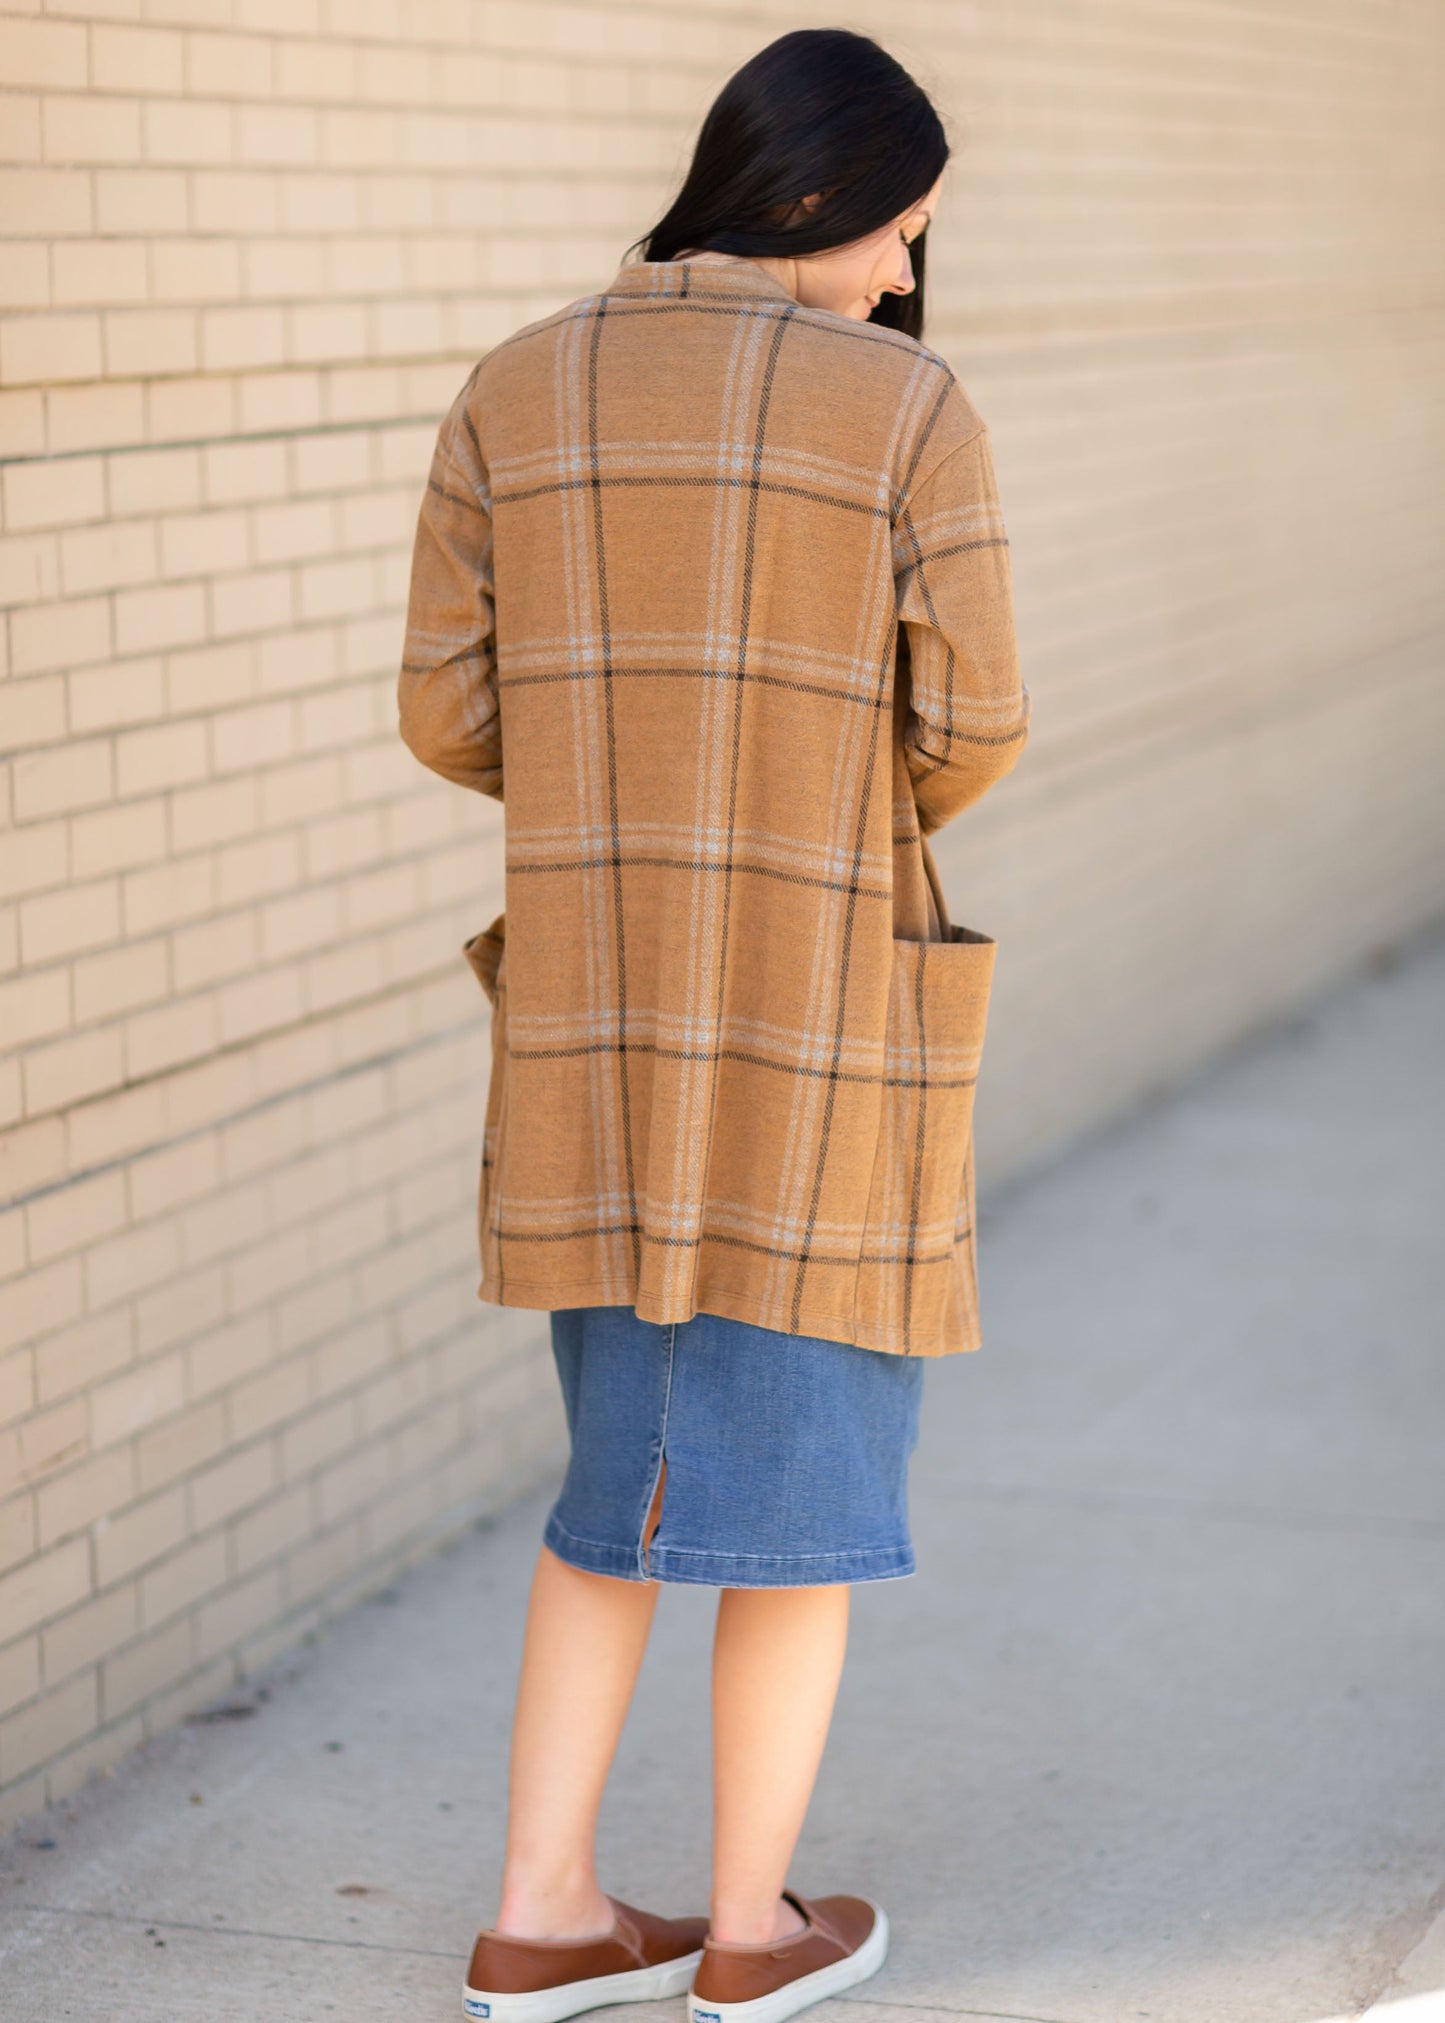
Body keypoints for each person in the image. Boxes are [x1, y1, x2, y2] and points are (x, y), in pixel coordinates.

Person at [397, 26, 1031, 2023]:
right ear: (836, 195)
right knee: (801, 1510)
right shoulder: (907, 410)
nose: (912, 269)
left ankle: (544, 1909)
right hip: (815, 1031)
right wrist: (816, 815)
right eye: (909, 222)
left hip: (597, 1028)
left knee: (617, 1486)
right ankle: (749, 1938)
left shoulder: (519, 383)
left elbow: (445, 709)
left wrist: (615, 797)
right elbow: (979, 721)